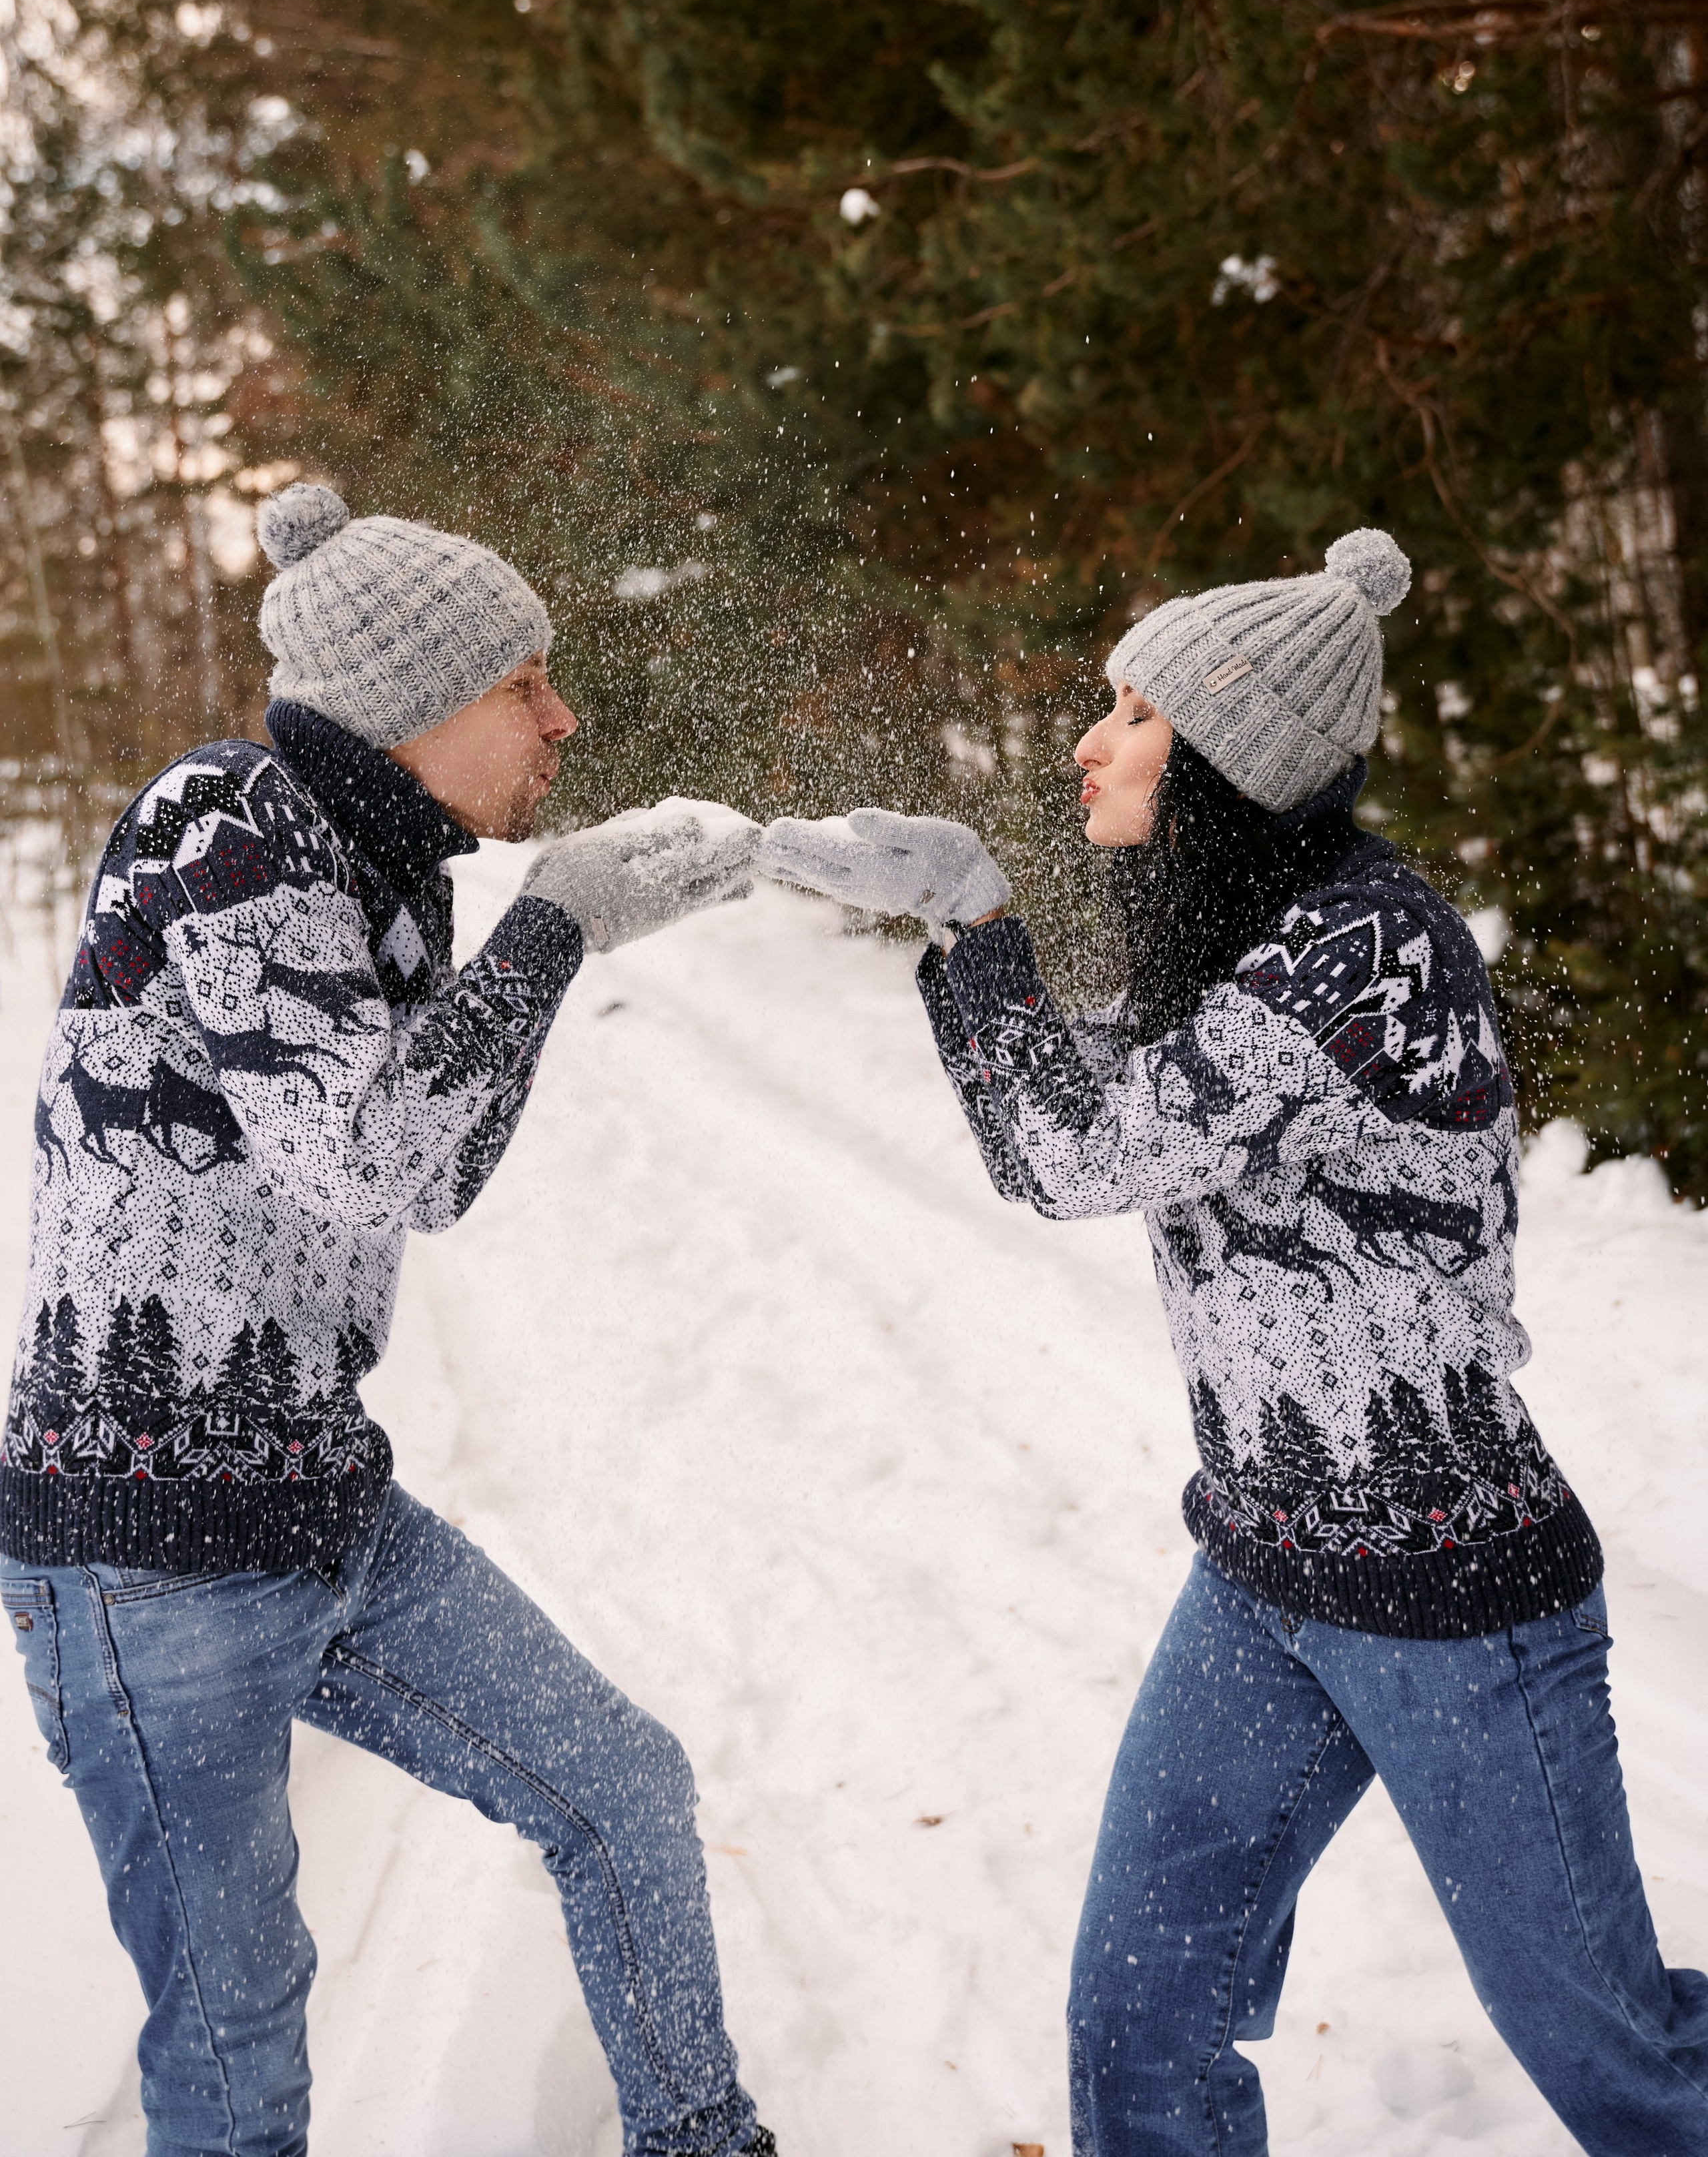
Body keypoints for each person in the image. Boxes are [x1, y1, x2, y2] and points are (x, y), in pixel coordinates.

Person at [758, 526, 1708, 2156]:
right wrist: (958, 926)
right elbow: (1104, 1100)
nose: (1088, 741)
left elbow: (1071, 1151)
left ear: (1228, 757)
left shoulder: (1367, 950)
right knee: (1139, 2020)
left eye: (1131, 713)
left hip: (1449, 1594)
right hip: (1264, 1577)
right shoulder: (1255, 948)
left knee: (1620, 2059)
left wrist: (973, 915)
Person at [1, 482, 774, 2157]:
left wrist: (600, 907)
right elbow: (378, 1157)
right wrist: (564, 920)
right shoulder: (226, 825)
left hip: (320, 1511)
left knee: (620, 1792)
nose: (561, 717)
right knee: (238, 2030)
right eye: (524, 685)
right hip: (142, 1561)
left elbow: (435, 1160)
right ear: (412, 705)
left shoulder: (389, 876)